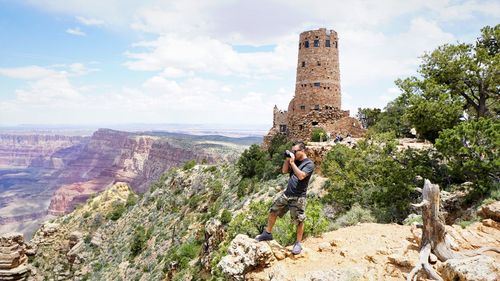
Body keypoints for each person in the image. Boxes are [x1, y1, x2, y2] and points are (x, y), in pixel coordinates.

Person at [255, 141, 315, 255]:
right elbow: (284, 171)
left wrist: (293, 163)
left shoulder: (309, 164)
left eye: (295, 151)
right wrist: (288, 160)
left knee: (299, 220)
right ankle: (267, 233)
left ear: (302, 151)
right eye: (292, 151)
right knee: (273, 211)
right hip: (287, 194)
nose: (293, 152)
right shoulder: (294, 161)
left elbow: (301, 176)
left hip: (298, 197)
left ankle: (298, 243)